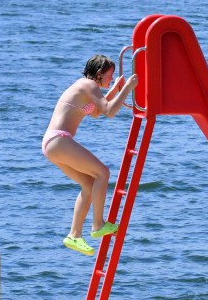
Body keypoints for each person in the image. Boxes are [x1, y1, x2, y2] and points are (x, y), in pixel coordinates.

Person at [42, 54, 138, 256]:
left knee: (88, 184)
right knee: (102, 173)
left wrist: (115, 90)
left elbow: (95, 112)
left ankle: (74, 235)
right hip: (59, 140)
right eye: (110, 76)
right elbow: (109, 112)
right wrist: (128, 87)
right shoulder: (88, 85)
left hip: (52, 143)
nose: (111, 79)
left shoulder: (87, 87)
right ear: (99, 74)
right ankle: (97, 225)